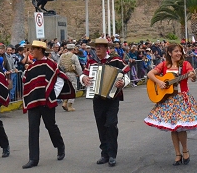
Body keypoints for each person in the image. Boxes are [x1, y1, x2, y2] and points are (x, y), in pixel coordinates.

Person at [145, 43, 197, 165]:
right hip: (168, 100)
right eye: (176, 51)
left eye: (180, 51)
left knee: (180, 127)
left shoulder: (185, 64)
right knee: (173, 128)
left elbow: (193, 77)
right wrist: (159, 82)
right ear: (170, 53)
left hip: (182, 98)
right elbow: (150, 74)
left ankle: (185, 151)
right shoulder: (164, 64)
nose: (179, 53)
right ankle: (177, 153)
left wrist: (193, 76)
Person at [21, 40, 75, 169]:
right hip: (34, 102)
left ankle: (60, 145)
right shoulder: (32, 67)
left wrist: (51, 96)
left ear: (40, 50)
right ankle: (33, 158)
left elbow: (60, 79)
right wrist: (25, 72)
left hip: (47, 102)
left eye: (33, 49)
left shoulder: (51, 65)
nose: (31, 51)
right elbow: (26, 81)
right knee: (33, 129)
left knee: (50, 126)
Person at [79, 38, 130, 167]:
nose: (98, 48)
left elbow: (127, 76)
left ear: (106, 48)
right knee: (101, 125)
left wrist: (122, 82)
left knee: (111, 124)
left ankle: (112, 154)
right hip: (97, 98)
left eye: (101, 46)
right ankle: (104, 153)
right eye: (96, 46)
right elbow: (83, 75)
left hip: (113, 98)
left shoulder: (116, 61)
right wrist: (83, 78)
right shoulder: (91, 63)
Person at [58, 43, 82, 112]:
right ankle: (70, 105)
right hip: (71, 73)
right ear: (73, 49)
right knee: (73, 88)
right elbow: (78, 66)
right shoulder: (74, 56)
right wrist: (81, 74)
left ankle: (65, 101)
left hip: (63, 74)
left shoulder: (62, 56)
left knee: (66, 88)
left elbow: (58, 65)